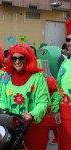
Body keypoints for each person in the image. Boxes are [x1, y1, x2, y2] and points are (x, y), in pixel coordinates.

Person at [0, 43, 50, 150]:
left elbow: (43, 102)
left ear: (28, 58)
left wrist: (33, 114)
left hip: (32, 127)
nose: (17, 62)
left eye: (21, 58)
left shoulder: (37, 78)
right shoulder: (7, 77)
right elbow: (2, 98)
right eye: (14, 58)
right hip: (12, 126)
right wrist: (2, 109)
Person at [52, 19, 71, 150]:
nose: (69, 43)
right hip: (65, 114)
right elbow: (58, 88)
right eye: (68, 40)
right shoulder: (65, 63)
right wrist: (56, 109)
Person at [46, 76, 58, 145]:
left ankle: (56, 137)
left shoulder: (55, 93)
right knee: (47, 125)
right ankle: (47, 137)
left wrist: (53, 109)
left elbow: (55, 103)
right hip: (48, 111)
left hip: (53, 112)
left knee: (54, 126)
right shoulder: (46, 92)